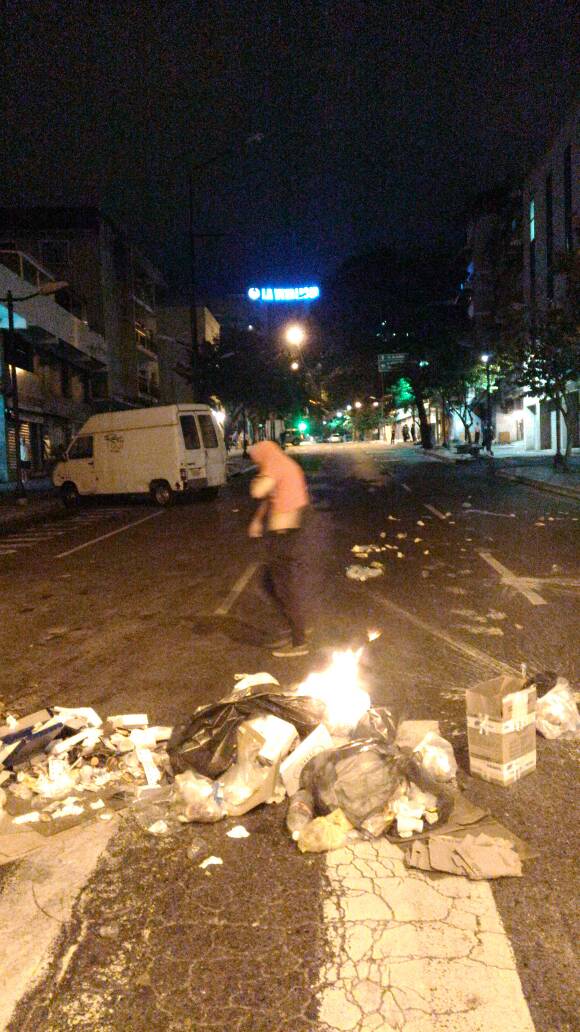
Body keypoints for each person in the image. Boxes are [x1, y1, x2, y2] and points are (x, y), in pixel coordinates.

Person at [247, 441, 310, 658]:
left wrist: (260, 474)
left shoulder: (275, 464)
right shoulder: (286, 465)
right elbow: (269, 498)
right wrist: (257, 520)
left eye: (257, 460)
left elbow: (258, 491)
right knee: (270, 584)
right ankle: (296, 628)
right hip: (286, 536)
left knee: (283, 590)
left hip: (283, 539)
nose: (258, 464)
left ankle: (299, 640)